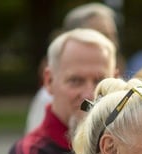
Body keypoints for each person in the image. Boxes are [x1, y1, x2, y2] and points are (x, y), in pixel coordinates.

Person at [3, 28, 116, 154]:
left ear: (116, 79)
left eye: (100, 81)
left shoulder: (124, 144)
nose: (89, 94)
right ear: (49, 81)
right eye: (75, 81)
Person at [25, 2, 120, 134]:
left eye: (112, 35)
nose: (109, 42)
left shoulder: (123, 90)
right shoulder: (49, 98)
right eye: (76, 81)